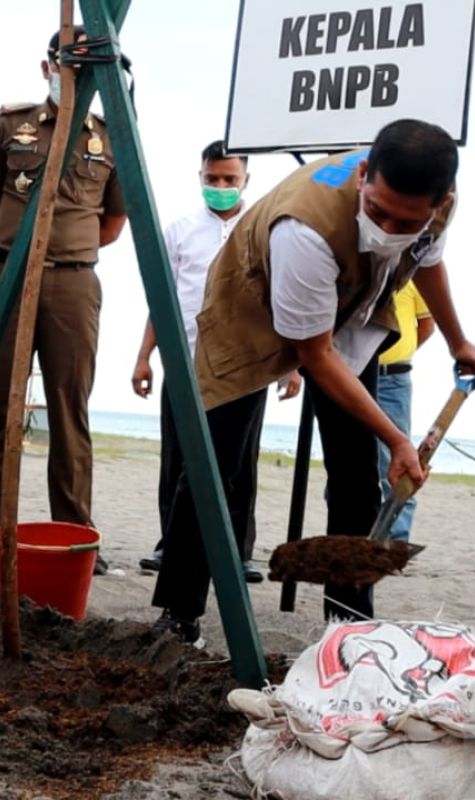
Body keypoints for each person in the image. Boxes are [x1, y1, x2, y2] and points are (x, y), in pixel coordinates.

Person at [151, 119, 475, 645]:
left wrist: (457, 342)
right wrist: (398, 438)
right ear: (362, 177)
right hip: (249, 306)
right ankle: (178, 614)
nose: (388, 229)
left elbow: (427, 264)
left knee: (357, 475)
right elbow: (315, 354)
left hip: (350, 305)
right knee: (211, 464)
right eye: (377, 212)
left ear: (439, 202)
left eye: (406, 221)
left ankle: (348, 623)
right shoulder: (304, 230)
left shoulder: (438, 207)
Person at [0, 27, 126, 573]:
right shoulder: (10, 125)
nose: (71, 76)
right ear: (47, 65)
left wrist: (61, 252)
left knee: (70, 412)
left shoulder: (112, 133)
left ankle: (74, 533)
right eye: (64, 65)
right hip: (8, 273)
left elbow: (113, 223)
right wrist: (19, 252)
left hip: (74, 282)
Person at [131, 140, 299, 584]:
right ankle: (170, 543)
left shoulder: (263, 227)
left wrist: (291, 365)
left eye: (229, 179)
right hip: (184, 360)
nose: (220, 187)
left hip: (247, 364)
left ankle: (238, 550)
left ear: (246, 179)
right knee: (178, 456)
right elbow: (160, 298)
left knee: (239, 462)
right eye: (212, 179)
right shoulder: (180, 230)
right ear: (200, 177)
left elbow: (284, 298)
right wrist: (144, 356)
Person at [376, 282, 435, 542]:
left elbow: (426, 327)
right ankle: (356, 534)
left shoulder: (415, 279)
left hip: (392, 380)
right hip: (350, 375)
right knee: (349, 458)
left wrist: (398, 353)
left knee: (396, 461)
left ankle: (397, 541)